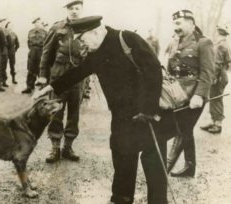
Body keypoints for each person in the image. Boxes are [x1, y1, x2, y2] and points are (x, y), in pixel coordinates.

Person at [34, 16, 167, 204]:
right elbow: (79, 71)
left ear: (95, 32)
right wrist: (53, 87)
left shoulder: (127, 39)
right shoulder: (96, 51)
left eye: (81, 39)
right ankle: (121, 198)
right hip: (121, 116)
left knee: (153, 161)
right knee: (121, 155)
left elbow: (154, 70)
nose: (80, 44)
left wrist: (148, 109)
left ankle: (159, 201)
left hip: (147, 115)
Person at [166, 10, 215, 177]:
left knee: (183, 128)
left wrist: (199, 95)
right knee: (186, 129)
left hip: (194, 96)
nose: (175, 27)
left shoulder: (203, 42)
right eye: (174, 24)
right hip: (178, 95)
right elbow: (170, 70)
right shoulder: (174, 42)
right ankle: (190, 166)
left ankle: (164, 166)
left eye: (179, 23)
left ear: (191, 23)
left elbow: (208, 72)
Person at [36, 0, 85, 164]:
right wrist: (43, 75)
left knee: (74, 113)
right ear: (67, 10)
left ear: (82, 9)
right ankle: (55, 147)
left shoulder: (86, 28)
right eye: (71, 8)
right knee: (56, 112)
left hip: (77, 76)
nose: (74, 11)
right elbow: (46, 53)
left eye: (77, 8)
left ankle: (68, 147)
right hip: (58, 74)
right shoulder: (57, 28)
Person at [200, 25, 230, 134]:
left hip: (218, 77)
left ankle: (217, 125)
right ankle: (214, 122)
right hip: (221, 75)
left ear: (218, 33)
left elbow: (217, 64)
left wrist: (213, 77)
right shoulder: (224, 44)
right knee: (213, 99)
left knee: (216, 99)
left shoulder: (221, 46)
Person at [21, 17, 47, 94]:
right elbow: (28, 42)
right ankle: (29, 86)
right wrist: (32, 50)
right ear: (34, 24)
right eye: (35, 23)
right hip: (32, 52)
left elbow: (47, 43)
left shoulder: (45, 32)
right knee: (31, 69)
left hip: (41, 51)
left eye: (38, 22)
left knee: (41, 69)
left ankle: (43, 87)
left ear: (41, 23)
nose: (37, 24)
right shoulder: (30, 32)